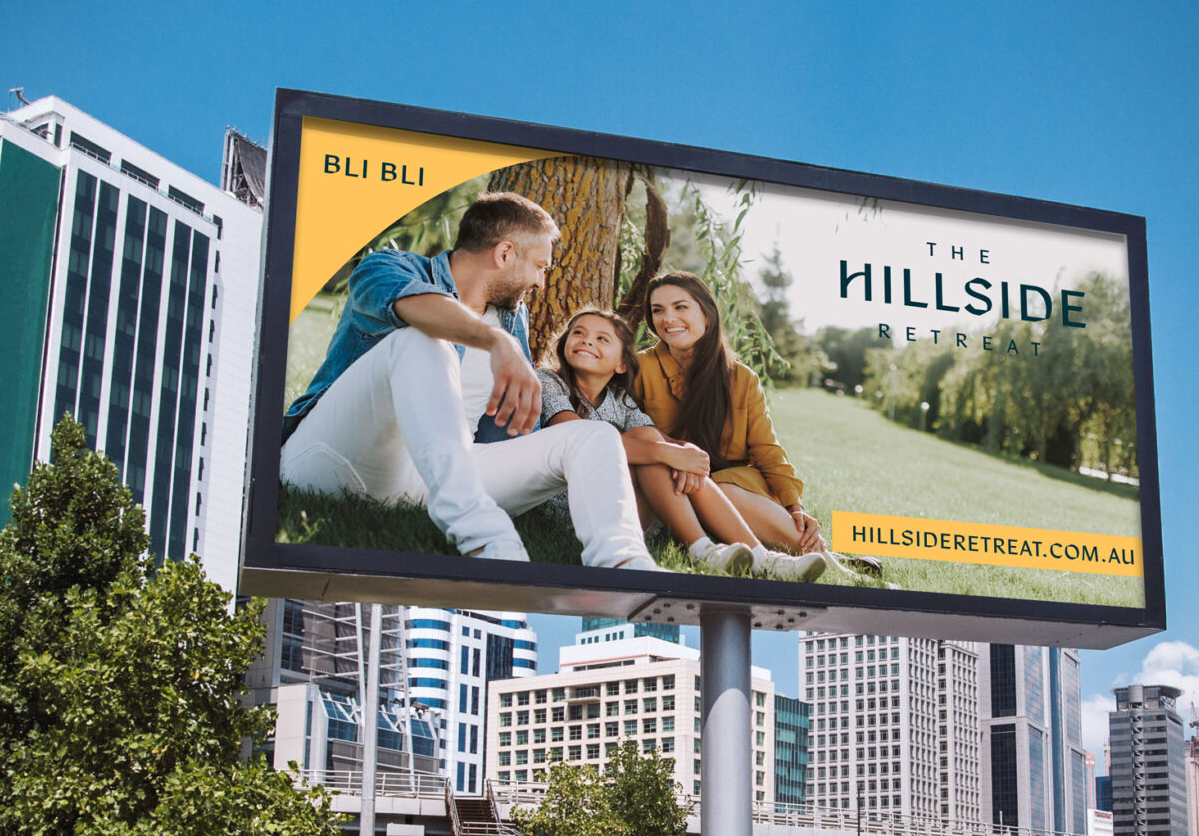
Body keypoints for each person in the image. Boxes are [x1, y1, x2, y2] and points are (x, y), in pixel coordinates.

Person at [280, 192, 655, 570]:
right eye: (540, 266)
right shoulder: (385, 267)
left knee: (596, 435)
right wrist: (497, 342)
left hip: (432, 479)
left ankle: (626, 563)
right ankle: (484, 537)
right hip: (332, 459)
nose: (542, 283)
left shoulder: (512, 316)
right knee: (421, 338)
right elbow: (416, 304)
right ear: (504, 253)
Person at [535, 306, 767, 576]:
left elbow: (660, 441)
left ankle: (760, 554)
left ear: (621, 363)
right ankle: (702, 548)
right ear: (564, 345)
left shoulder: (620, 400)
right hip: (571, 505)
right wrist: (666, 454)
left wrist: (684, 450)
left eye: (602, 339)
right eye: (578, 333)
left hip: (623, 506)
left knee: (649, 439)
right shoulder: (549, 382)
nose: (587, 340)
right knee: (652, 450)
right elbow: (577, 437)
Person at [632, 273, 828, 581]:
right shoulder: (640, 368)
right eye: (658, 310)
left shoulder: (742, 378)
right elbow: (634, 431)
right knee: (694, 483)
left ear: (706, 314)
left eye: (681, 307)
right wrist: (679, 455)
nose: (668, 318)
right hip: (670, 483)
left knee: (724, 488)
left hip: (731, 486)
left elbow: (766, 450)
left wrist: (794, 505)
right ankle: (822, 559)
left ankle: (834, 562)